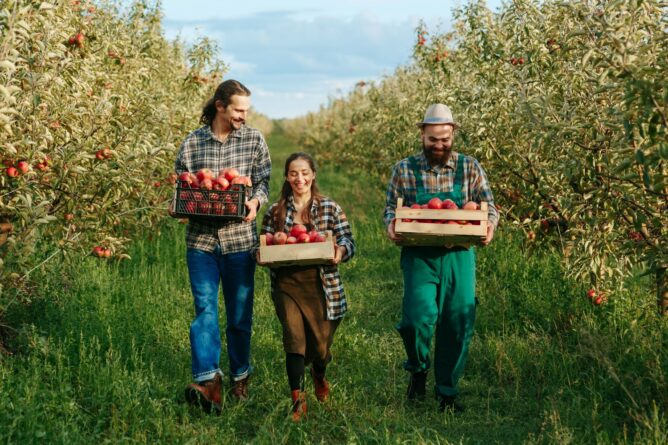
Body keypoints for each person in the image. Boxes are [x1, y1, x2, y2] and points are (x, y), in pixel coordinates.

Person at [384, 103, 499, 413]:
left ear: (453, 135)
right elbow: (390, 210)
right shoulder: (405, 169)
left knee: (458, 320)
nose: (439, 146)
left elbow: (489, 207)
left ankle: (447, 391)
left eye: (445, 140)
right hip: (419, 254)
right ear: (422, 134)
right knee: (415, 320)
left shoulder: (470, 167)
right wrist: (391, 226)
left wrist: (488, 228)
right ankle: (419, 369)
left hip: (459, 255)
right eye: (433, 139)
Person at [172, 79, 271, 414]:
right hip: (201, 241)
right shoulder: (192, 143)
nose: (244, 115)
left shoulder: (254, 140)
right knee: (205, 310)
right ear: (220, 106)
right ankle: (208, 381)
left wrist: (255, 203)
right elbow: (180, 186)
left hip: (239, 241)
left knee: (239, 316)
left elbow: (263, 182)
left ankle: (239, 376)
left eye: (246, 110)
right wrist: (179, 206)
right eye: (238, 110)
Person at [259, 152, 355, 421]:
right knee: (294, 340)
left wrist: (339, 252)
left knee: (321, 349)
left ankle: (319, 372)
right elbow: (264, 244)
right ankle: (297, 400)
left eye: (304, 172)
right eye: (293, 173)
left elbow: (349, 240)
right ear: (287, 177)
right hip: (287, 284)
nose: (299, 178)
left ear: (313, 175)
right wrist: (261, 254)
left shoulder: (330, 208)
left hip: (322, 286)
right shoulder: (274, 212)